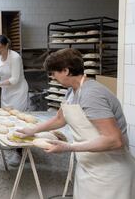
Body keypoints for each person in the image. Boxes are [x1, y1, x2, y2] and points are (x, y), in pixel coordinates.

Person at [17, 48, 135, 199]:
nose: (52, 77)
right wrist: (32, 130)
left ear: (65, 70)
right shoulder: (72, 91)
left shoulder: (91, 94)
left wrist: (68, 147)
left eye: (53, 73)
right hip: (89, 167)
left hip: (109, 173)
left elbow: (114, 140)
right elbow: (60, 119)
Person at [0, 35, 29, 166]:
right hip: (6, 91)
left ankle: (19, 152)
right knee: (6, 119)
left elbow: (15, 79)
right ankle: (10, 143)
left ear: (6, 46)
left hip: (18, 91)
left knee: (18, 121)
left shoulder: (15, 58)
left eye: (0, 48)